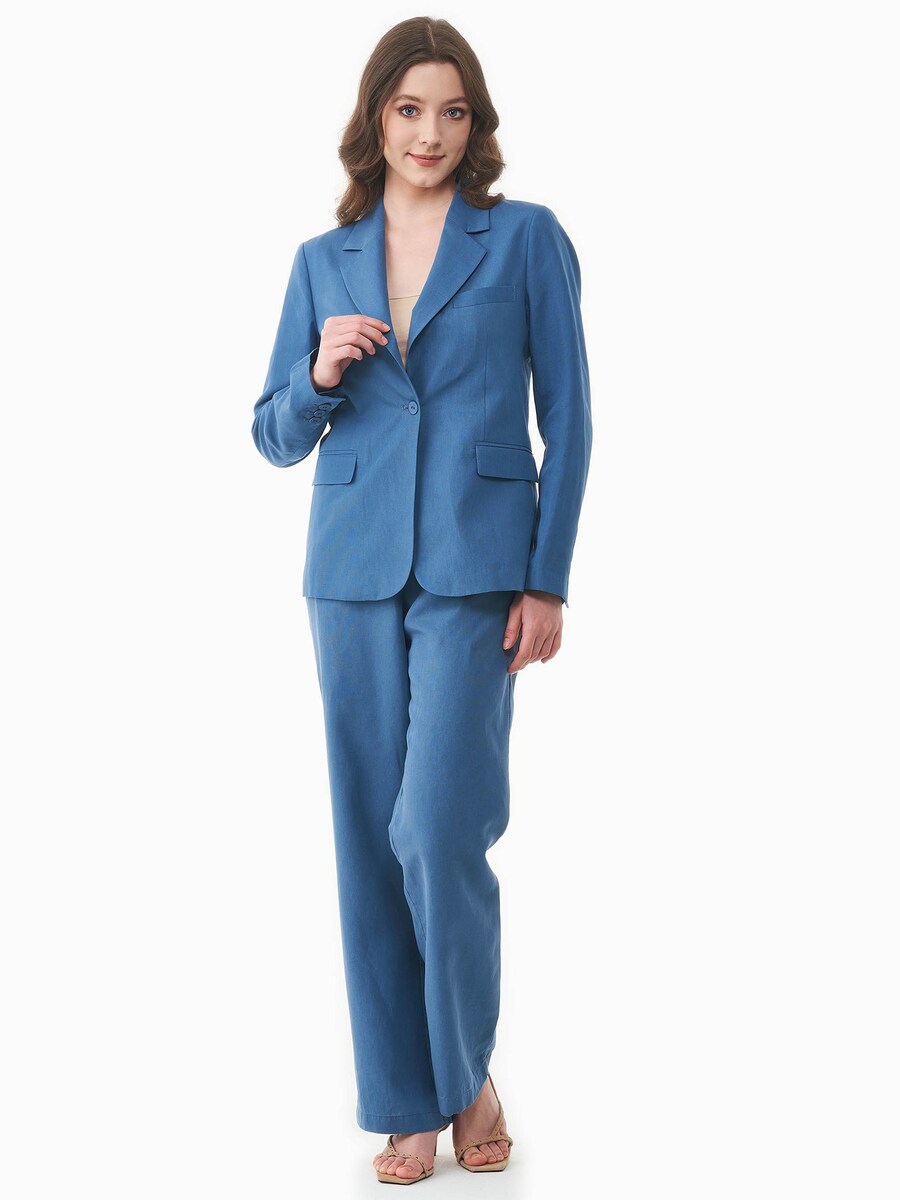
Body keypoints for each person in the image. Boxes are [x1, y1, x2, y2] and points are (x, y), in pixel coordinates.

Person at [250, 16, 592, 1184]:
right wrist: (317, 372)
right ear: (377, 119)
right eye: (408, 110)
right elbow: (272, 434)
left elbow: (572, 418)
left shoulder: (526, 238)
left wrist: (548, 576)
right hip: (349, 570)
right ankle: (405, 1102)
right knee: (366, 840)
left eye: (451, 110)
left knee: (437, 828)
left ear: (474, 122)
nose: (429, 132)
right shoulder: (322, 260)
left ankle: (466, 1078)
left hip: (477, 569)